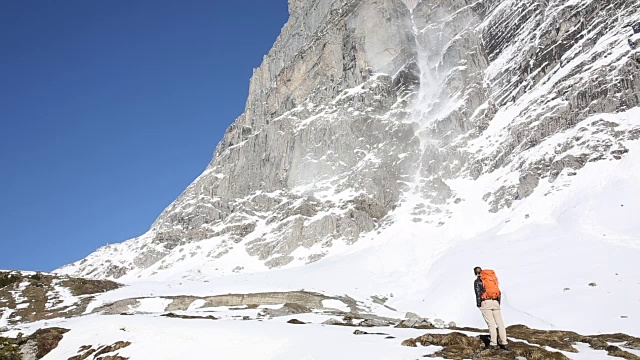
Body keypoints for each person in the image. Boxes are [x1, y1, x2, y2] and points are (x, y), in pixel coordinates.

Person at [474, 266, 509, 350]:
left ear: (475, 273)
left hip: (486, 303)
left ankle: (493, 343)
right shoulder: (491, 279)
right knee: (500, 323)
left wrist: (479, 304)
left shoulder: (478, 281)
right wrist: (497, 303)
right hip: (495, 302)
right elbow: (498, 292)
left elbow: (478, 294)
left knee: (491, 324)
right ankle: (504, 343)